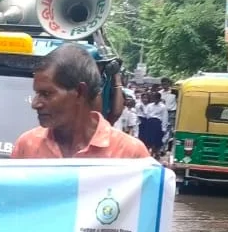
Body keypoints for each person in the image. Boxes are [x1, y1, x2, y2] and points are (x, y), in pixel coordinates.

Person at [12, 45, 150, 159]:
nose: (35, 104)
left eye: (46, 94)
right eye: (37, 93)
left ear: (79, 91)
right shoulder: (26, 146)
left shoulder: (130, 154)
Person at [137, 90, 167, 156]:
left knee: (156, 139)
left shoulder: (163, 107)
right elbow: (147, 114)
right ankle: (148, 153)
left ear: (159, 99)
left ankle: (155, 153)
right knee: (148, 139)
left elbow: (165, 117)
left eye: (156, 98)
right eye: (154, 98)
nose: (155, 100)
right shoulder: (150, 106)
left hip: (157, 123)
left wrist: (164, 128)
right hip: (150, 122)